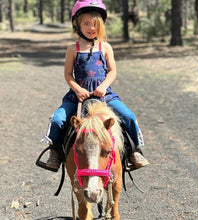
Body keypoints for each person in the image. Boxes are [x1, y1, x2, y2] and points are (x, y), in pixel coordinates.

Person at [41, 0, 149, 172]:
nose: (91, 28)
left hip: (104, 95)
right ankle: (55, 152)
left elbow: (112, 71)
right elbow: (68, 74)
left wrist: (104, 87)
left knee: (128, 116)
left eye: (95, 24)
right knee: (57, 119)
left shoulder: (105, 47)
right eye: (86, 23)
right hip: (77, 95)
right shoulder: (72, 49)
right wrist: (78, 89)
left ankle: (133, 151)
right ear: (77, 24)